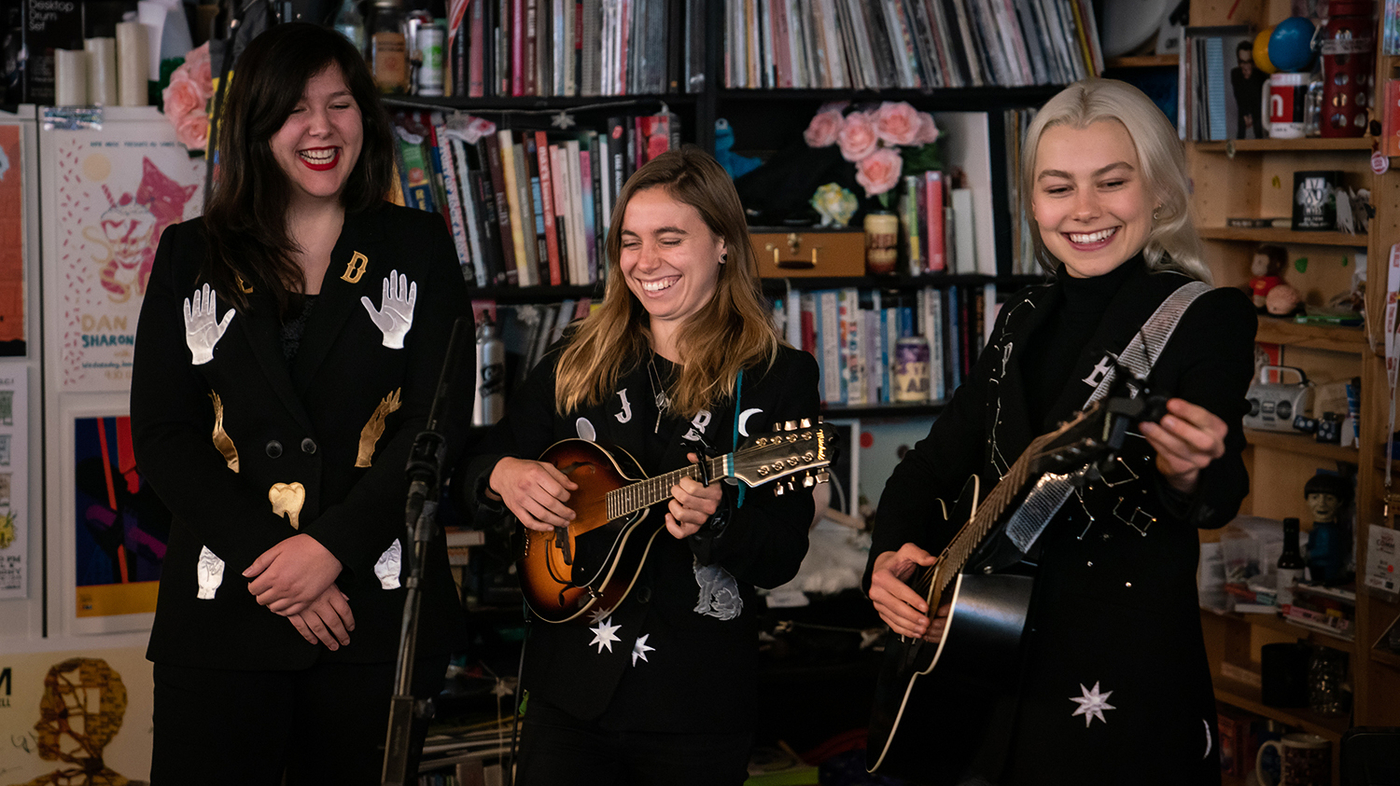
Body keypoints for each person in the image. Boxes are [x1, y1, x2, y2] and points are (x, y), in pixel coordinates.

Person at [864, 79, 1257, 785]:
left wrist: (1191, 470)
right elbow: (930, 466)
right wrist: (888, 561)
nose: (1084, 210)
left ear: (1161, 191)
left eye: (1112, 181)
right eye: (1058, 187)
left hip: (1117, 689)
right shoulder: (1022, 316)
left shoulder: (1205, 317)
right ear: (1033, 202)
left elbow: (1219, 493)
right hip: (982, 674)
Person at [130, 22, 470, 785]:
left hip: (370, 616)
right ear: (256, 128)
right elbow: (162, 435)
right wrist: (274, 563)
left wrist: (327, 552)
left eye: (339, 104)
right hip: (220, 622)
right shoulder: (192, 253)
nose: (320, 128)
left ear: (365, 119)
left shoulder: (418, 246)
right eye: (294, 110)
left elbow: (434, 425)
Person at [460, 147, 820, 786]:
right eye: (631, 242)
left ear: (724, 245)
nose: (645, 262)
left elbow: (781, 556)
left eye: (670, 239)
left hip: (695, 701)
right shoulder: (577, 355)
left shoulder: (775, 378)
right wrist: (503, 475)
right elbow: (473, 465)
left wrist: (718, 524)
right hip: (567, 692)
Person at [1231, 41, 1268, 139]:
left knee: (1259, 131)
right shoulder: (1235, 74)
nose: (1245, 67)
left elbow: (1260, 99)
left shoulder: (1260, 75)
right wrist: (1245, 114)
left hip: (1257, 110)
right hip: (1243, 108)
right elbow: (1238, 95)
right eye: (1242, 62)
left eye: (1248, 62)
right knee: (1240, 131)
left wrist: (1251, 116)